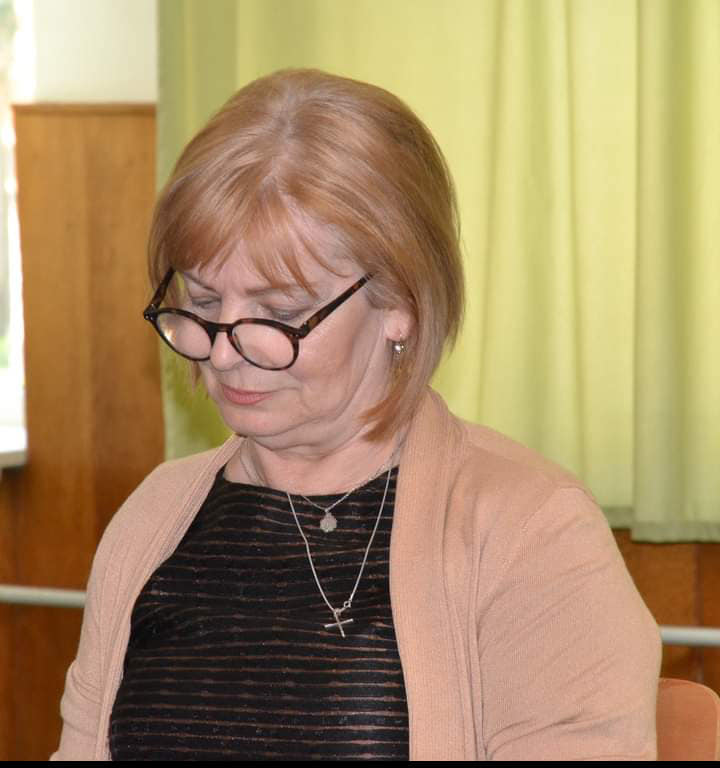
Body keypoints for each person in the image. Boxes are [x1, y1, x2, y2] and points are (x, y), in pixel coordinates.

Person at [52, 68, 660, 761]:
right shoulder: (152, 519)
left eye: (280, 313)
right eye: (203, 301)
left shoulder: (531, 531)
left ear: (400, 301)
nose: (223, 352)